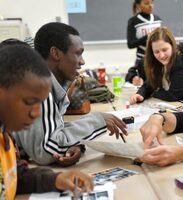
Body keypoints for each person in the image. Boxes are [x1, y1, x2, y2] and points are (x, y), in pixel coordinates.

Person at [12, 22, 127, 166]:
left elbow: (52, 131)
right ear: (56, 53)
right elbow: (46, 150)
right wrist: (98, 121)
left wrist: (74, 145)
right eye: (78, 53)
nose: (82, 62)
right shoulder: (37, 88)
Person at [0, 44, 93, 200]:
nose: (36, 113)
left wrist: (56, 179)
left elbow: (15, 176)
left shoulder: (5, 134)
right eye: (29, 101)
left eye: (41, 104)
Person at [129, 26, 183, 104]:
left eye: (164, 50)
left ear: (172, 46)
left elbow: (173, 96)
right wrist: (140, 94)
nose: (161, 55)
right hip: (178, 106)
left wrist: (153, 93)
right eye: (156, 52)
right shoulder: (156, 61)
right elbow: (150, 83)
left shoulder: (181, 60)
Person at [126, 0, 162, 86]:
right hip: (142, 60)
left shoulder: (157, 19)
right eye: (146, 3)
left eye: (151, 3)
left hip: (158, 59)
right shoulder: (133, 21)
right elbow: (130, 44)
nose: (150, 6)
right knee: (145, 84)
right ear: (138, 5)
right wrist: (147, 37)